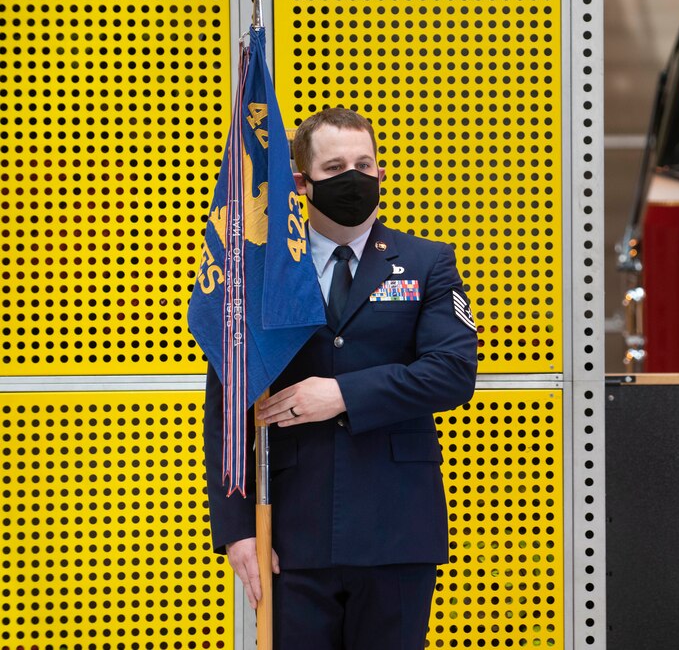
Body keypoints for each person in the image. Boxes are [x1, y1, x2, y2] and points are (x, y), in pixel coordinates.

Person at [202, 106, 479, 649]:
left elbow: (451, 372)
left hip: (397, 530)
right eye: (334, 168)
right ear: (302, 184)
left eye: (364, 163)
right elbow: (227, 405)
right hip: (288, 534)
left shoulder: (427, 263)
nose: (353, 178)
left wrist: (342, 394)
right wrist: (235, 528)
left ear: (380, 173)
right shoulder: (262, 274)